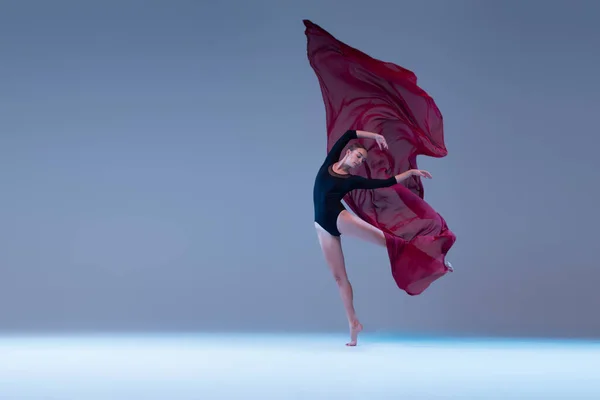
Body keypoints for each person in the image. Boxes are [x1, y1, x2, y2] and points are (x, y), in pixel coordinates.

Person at [313, 128, 434, 346]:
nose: (359, 161)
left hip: (339, 218)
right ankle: (353, 324)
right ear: (348, 153)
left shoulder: (351, 180)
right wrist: (375, 136)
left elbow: (386, 182)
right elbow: (348, 133)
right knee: (339, 278)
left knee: (384, 240)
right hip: (321, 226)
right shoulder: (329, 162)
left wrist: (411, 173)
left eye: (362, 160)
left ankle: (428, 256)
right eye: (358, 156)